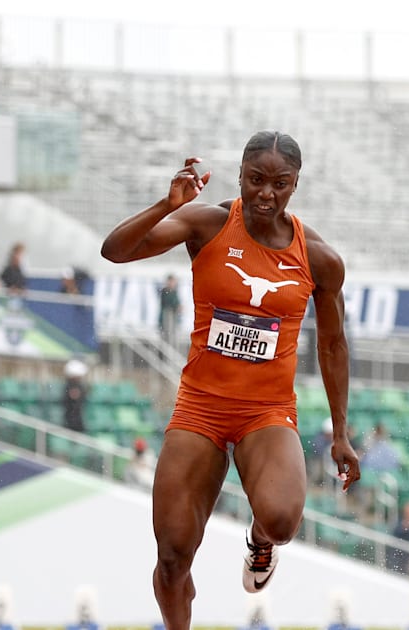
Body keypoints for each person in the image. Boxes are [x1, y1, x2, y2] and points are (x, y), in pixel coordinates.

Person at [100, 131, 360, 630]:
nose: (266, 194)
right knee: (173, 555)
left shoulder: (319, 259)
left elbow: (333, 345)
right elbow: (116, 251)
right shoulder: (209, 224)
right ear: (240, 174)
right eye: (255, 180)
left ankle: (259, 543)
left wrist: (342, 433)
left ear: (295, 184)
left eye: (280, 184)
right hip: (200, 406)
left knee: (282, 521)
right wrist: (166, 204)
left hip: (267, 411)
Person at [386, 500, 409, 575]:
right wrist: (404, 527)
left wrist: (408, 527)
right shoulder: (399, 520)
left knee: (402, 572)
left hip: (406, 554)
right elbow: (395, 533)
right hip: (394, 552)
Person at [61, 359, 89, 433]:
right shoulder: (69, 386)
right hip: (71, 418)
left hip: (78, 417)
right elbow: (73, 396)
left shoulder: (80, 386)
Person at [0, 242, 28, 308]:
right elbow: (3, 280)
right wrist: (10, 287)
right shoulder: (7, 269)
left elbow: (22, 281)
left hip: (17, 295)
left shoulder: (20, 270)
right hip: (8, 295)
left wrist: (20, 288)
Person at [159, 273, 182, 345]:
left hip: (172, 321)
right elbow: (170, 304)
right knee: (166, 339)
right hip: (166, 321)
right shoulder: (165, 291)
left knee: (172, 338)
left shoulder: (174, 292)